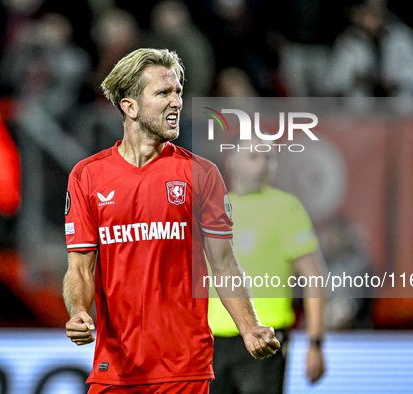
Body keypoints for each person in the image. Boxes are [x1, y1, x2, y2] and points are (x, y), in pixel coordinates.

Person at [62, 48, 280, 394]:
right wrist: (77, 311)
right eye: (163, 93)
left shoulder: (201, 174)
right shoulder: (87, 177)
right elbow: (80, 268)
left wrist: (249, 326)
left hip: (184, 367)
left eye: (178, 91)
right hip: (115, 367)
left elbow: (224, 264)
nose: (177, 101)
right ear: (129, 107)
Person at [208, 136, 327, 394]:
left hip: (266, 338)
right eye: (254, 157)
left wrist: (315, 343)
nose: (263, 164)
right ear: (232, 163)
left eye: (269, 158)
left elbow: (315, 277)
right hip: (212, 341)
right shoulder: (212, 208)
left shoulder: (286, 208)